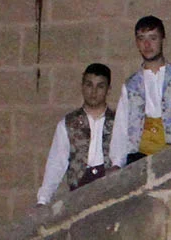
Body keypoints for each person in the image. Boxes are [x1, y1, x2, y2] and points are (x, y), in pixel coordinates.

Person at [37, 63, 122, 205]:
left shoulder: (119, 122)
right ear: (82, 86)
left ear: (108, 89)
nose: (93, 92)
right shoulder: (68, 124)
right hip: (79, 194)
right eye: (89, 85)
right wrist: (43, 200)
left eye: (100, 86)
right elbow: (56, 164)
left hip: (111, 191)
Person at [121, 14, 171, 158]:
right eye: (141, 39)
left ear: (163, 39)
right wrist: (117, 162)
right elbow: (121, 127)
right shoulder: (130, 85)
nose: (147, 45)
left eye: (153, 38)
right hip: (139, 156)